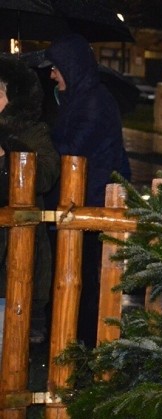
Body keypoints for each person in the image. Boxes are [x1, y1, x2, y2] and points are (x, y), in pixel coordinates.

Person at [44, 33, 131, 347]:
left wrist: (43, 143)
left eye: (56, 68)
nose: (52, 74)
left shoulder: (94, 101)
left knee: (84, 278)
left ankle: (85, 341)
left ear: (71, 67)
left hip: (91, 204)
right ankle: (72, 336)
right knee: (70, 273)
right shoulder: (78, 99)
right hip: (76, 201)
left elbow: (73, 148)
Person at [0, 55, 61, 345]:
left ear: (13, 97)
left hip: (13, 267)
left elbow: (47, 174)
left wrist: (7, 153)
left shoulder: (33, 132)